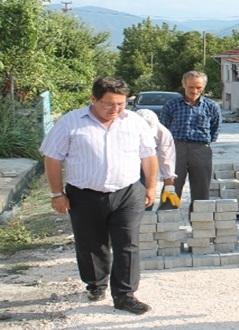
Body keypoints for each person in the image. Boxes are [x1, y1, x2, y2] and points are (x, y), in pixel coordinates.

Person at [39, 77, 158, 315]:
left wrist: (151, 188)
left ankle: (125, 295)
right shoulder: (71, 122)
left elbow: (149, 156)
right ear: (93, 99)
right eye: (109, 104)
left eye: (121, 104)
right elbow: (52, 157)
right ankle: (95, 284)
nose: (115, 109)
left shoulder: (134, 122)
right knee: (91, 243)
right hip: (84, 195)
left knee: (128, 244)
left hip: (127, 192)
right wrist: (56, 194)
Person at [160, 71, 220, 212]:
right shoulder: (171, 106)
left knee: (201, 188)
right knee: (171, 185)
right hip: (176, 149)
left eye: (198, 87)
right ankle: (166, 221)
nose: (195, 91)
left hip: (201, 149)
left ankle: (200, 224)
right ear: (184, 85)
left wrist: (202, 145)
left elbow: (215, 129)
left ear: (203, 87)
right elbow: (164, 130)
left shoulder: (212, 107)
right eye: (191, 87)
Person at [135, 109, 180, 211]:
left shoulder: (162, 133)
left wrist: (169, 186)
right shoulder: (123, 128)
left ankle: (147, 219)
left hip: (148, 164)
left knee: (147, 192)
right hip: (127, 164)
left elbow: (166, 158)